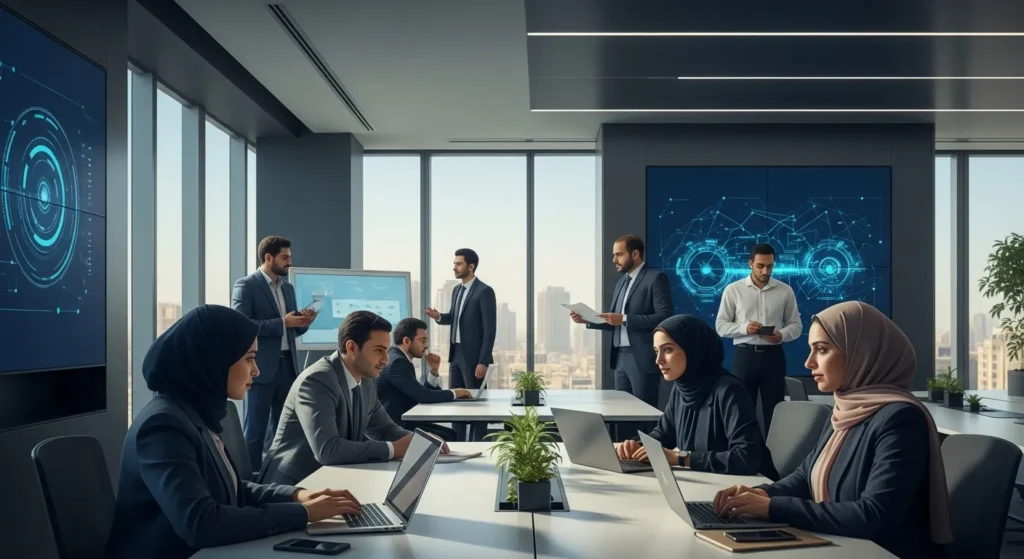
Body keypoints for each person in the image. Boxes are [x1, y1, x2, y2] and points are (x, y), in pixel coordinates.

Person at [106, 305, 360, 559]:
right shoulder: (162, 426)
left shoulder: (196, 413)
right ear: (215, 359)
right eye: (249, 358)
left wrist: (298, 495)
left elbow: (234, 489)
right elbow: (201, 523)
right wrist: (304, 514)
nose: (256, 370)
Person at [712, 301, 952, 559]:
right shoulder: (844, 409)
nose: (808, 363)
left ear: (862, 352)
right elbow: (806, 477)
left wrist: (772, 508)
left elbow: (874, 515)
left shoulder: (901, 419)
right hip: (839, 545)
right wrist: (759, 494)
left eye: (822, 350)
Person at [260, 311, 448, 485]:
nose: (386, 359)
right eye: (379, 350)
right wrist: (394, 449)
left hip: (332, 481)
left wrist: (419, 441)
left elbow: (383, 428)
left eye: (387, 350)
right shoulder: (317, 380)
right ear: (351, 347)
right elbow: (328, 450)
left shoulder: (366, 380)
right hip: (292, 487)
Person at [615, 315, 766, 475]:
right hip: (707, 484)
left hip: (746, 490)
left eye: (667, 350)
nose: (658, 360)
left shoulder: (729, 390)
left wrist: (680, 458)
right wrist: (637, 447)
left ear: (693, 348)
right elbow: (663, 435)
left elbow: (747, 458)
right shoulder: (681, 388)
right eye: (656, 351)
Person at [231, 235, 316, 472]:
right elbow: (241, 324)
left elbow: (290, 331)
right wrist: (282, 322)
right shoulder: (246, 285)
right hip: (260, 369)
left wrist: (303, 322)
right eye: (285, 257)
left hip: (288, 367)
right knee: (255, 432)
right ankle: (250, 482)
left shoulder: (287, 288)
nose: (290, 262)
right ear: (268, 258)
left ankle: (278, 478)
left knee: (285, 431)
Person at [571, 234, 673, 412]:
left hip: (642, 357)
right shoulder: (621, 283)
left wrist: (625, 319)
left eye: (619, 255)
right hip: (620, 358)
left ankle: (644, 441)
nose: (614, 260)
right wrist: (587, 320)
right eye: (614, 255)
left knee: (643, 413)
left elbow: (664, 317)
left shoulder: (655, 278)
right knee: (622, 413)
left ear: (635, 254)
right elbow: (614, 321)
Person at [715, 243, 801, 434]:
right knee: (742, 410)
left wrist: (782, 335)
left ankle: (775, 459)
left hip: (774, 357)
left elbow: (796, 326)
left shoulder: (785, 291)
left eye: (770, 266)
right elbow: (720, 326)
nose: (765, 271)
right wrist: (745, 327)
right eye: (760, 266)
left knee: (776, 411)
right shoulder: (733, 290)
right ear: (750, 263)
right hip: (745, 356)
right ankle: (745, 455)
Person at [425, 248, 496, 440]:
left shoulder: (484, 292)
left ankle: (476, 444)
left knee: (477, 405)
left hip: (474, 359)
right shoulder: (457, 290)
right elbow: (455, 318)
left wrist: (483, 361)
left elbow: (490, 330)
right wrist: (438, 316)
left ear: (470, 267)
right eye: (454, 263)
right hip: (455, 355)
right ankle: (457, 442)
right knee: (456, 401)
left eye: (459, 264)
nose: (454, 267)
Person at [377, 317, 472, 441]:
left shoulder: (400, 358)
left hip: (405, 419)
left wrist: (434, 371)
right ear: (406, 341)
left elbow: (419, 392)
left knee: (451, 434)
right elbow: (423, 396)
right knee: (447, 436)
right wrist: (455, 393)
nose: (426, 346)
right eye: (422, 341)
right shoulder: (397, 362)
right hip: (396, 425)